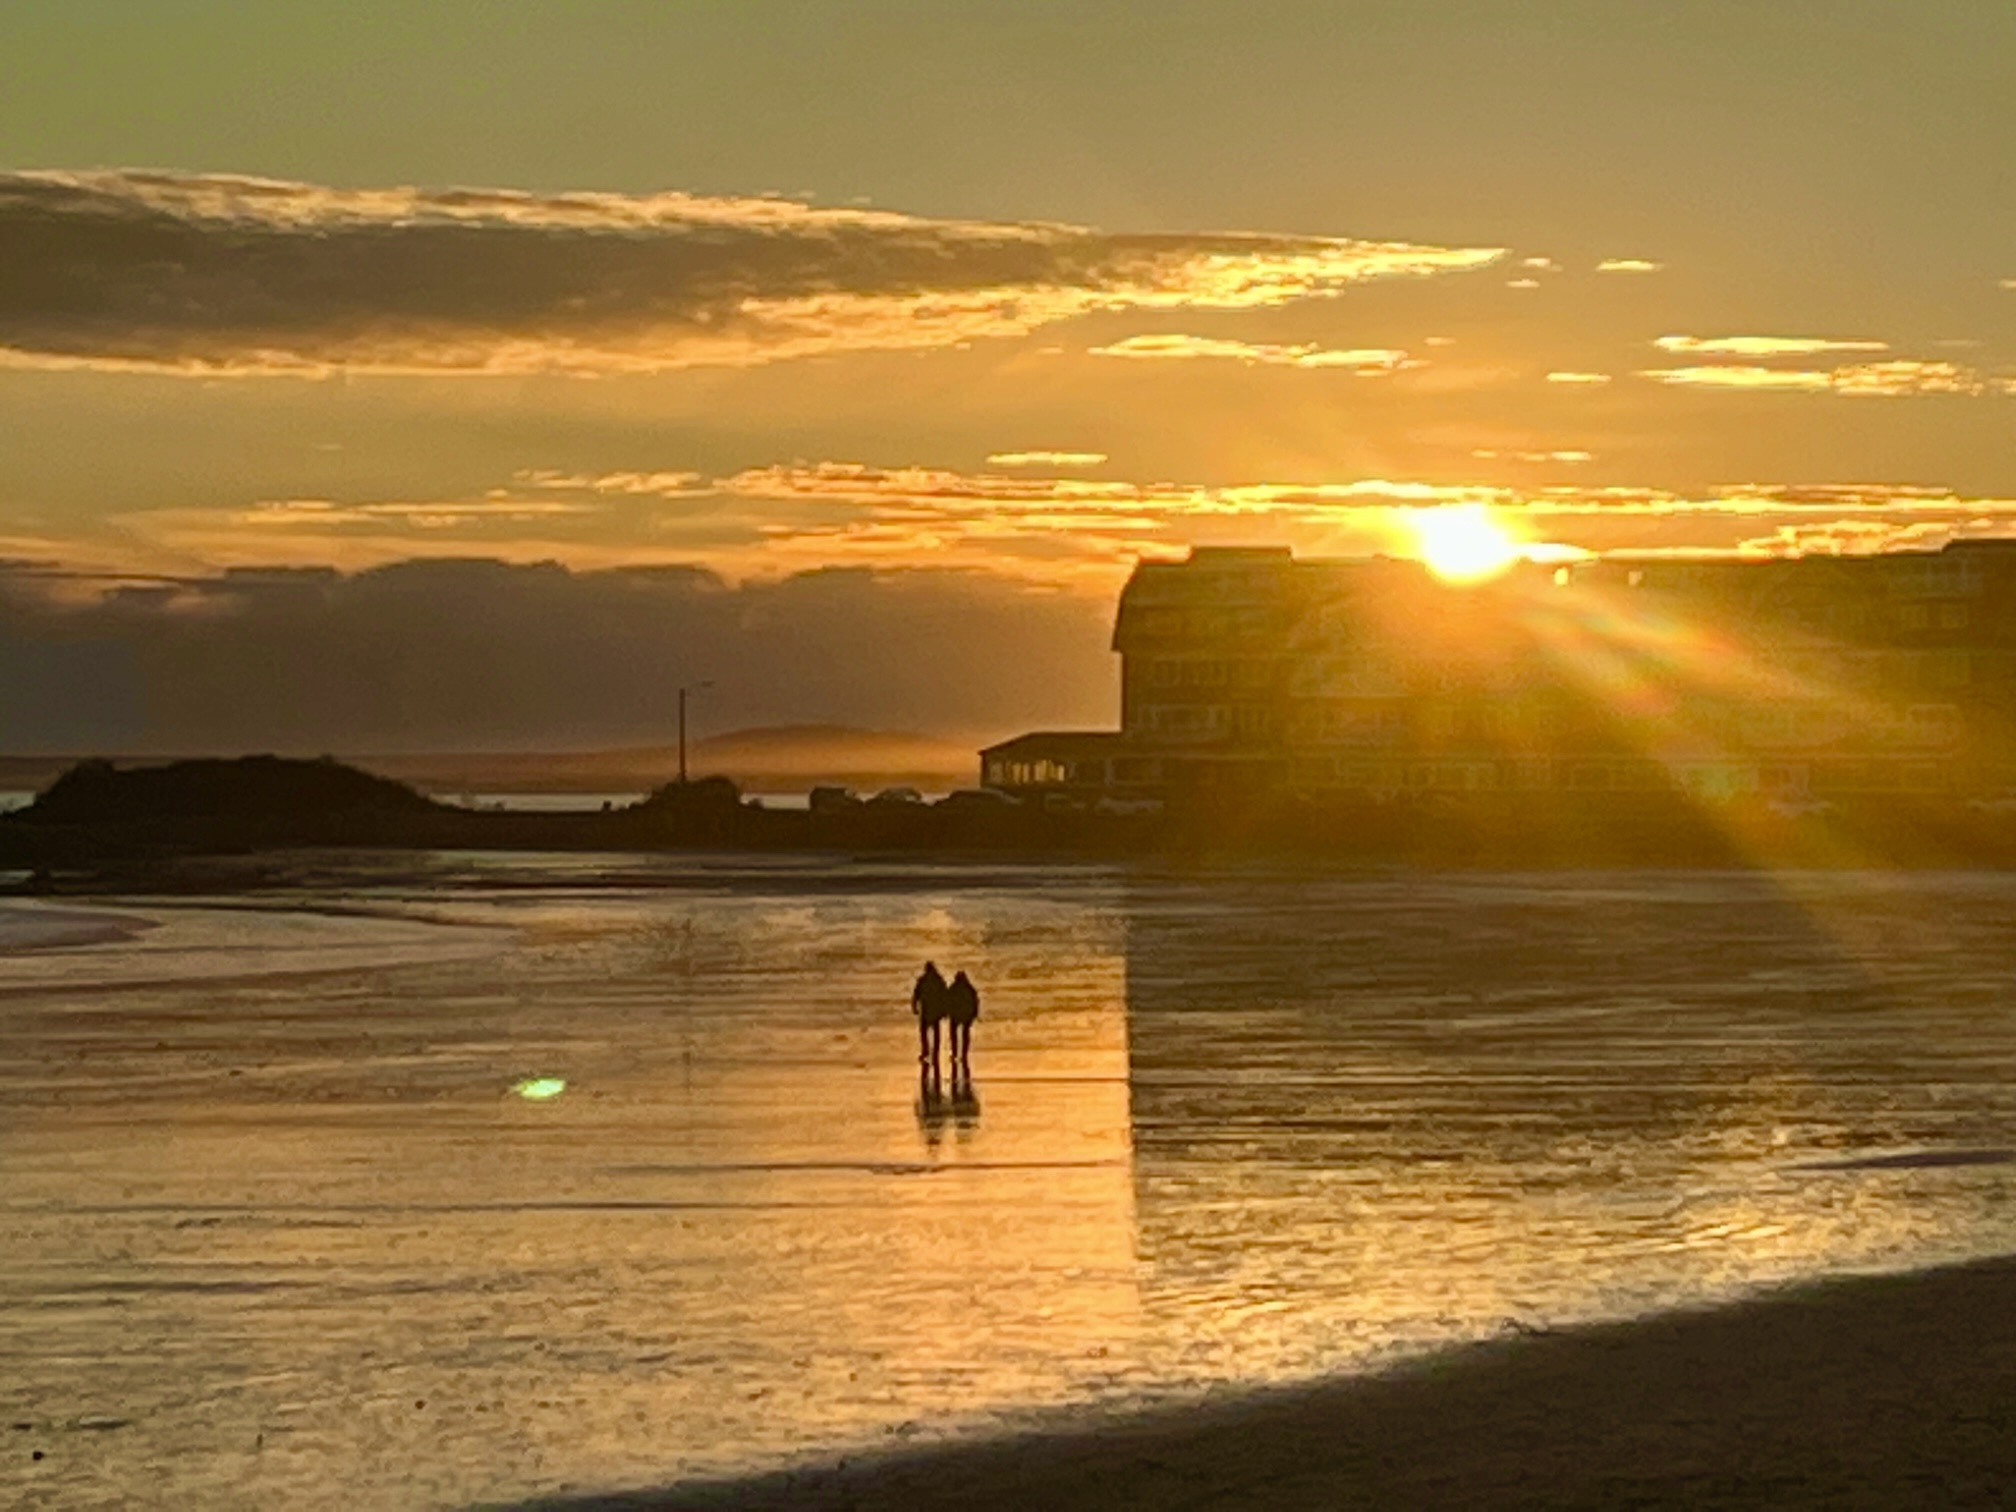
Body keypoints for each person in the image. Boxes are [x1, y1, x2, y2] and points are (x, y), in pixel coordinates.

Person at [911, 960, 949, 1068]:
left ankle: (926, 1051)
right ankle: (935, 1051)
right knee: (935, 1032)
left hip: (927, 1010)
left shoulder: (923, 980)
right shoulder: (938, 980)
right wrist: (945, 1010)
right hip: (934, 1010)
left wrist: (915, 1007)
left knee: (924, 1032)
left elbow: (916, 995)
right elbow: (944, 996)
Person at [945, 969, 980, 1065]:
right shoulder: (969, 989)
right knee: (965, 1035)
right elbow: (975, 1002)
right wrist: (974, 1014)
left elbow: (947, 1001)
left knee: (954, 1035)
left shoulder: (953, 988)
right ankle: (963, 1053)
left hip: (955, 1015)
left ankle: (955, 1052)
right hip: (965, 1015)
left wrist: (946, 1012)